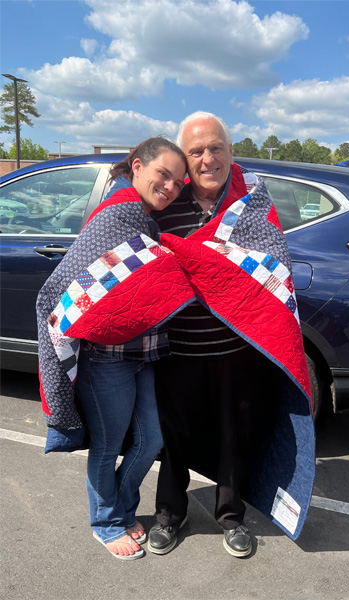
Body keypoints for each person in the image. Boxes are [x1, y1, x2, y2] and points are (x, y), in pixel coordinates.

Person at [148, 112, 314, 558]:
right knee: (174, 435)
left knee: (233, 433)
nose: (207, 158)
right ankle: (169, 513)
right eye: (196, 151)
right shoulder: (165, 203)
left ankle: (231, 516)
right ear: (185, 158)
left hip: (238, 348)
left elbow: (275, 264)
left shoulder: (252, 202)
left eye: (215, 147)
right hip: (178, 348)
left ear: (230, 150)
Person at [37, 137, 188, 560]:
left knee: (151, 441)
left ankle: (120, 507)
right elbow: (62, 288)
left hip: (143, 354)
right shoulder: (116, 215)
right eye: (164, 175)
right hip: (107, 358)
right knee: (108, 445)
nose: (171, 188)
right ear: (137, 166)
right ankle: (105, 522)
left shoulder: (143, 217)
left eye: (178, 183)